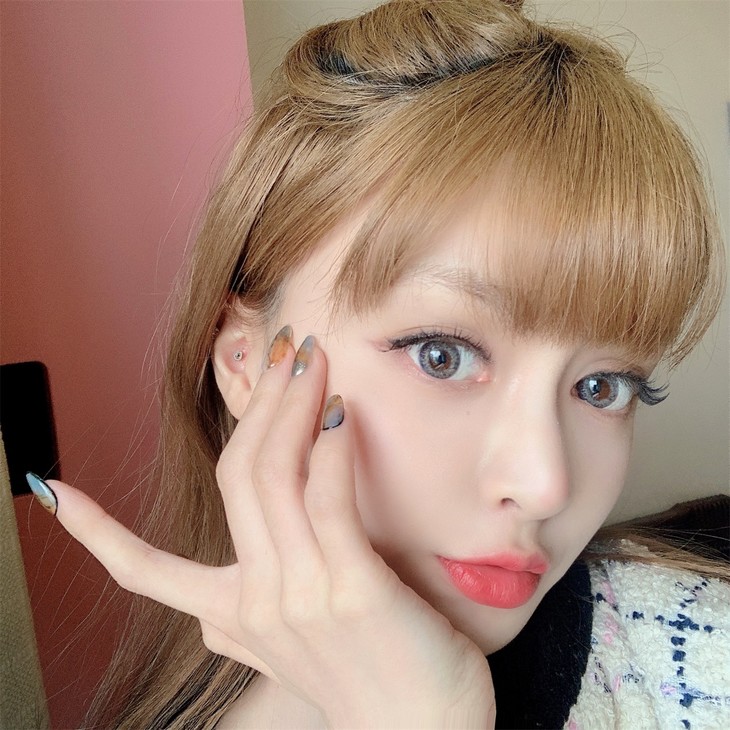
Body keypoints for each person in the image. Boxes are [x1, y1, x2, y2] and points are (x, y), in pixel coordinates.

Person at [25, 0, 728, 727]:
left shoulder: (696, 658)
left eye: (602, 386)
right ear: (245, 362)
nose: (545, 486)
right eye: (442, 355)